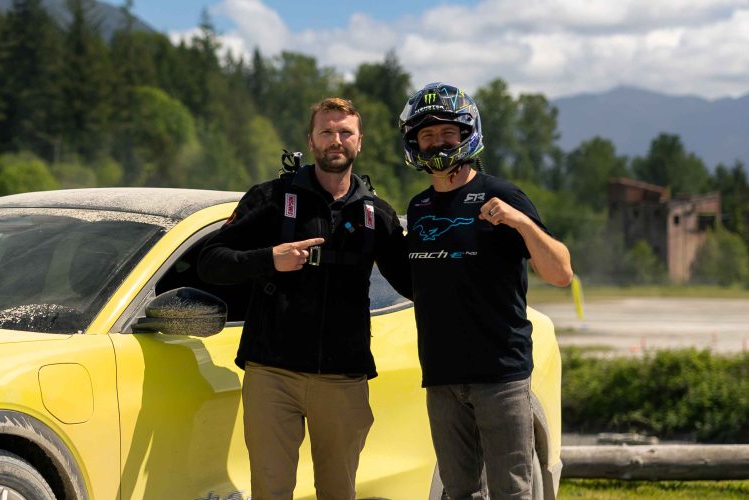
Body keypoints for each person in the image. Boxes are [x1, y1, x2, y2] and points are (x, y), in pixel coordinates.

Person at [198, 97, 411, 500]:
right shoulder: (271, 199)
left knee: (338, 492)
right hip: (272, 376)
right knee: (270, 492)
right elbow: (210, 262)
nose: (336, 140)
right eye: (326, 132)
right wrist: (269, 259)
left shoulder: (376, 214)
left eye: (345, 132)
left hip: (343, 379)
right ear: (311, 142)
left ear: (359, 141)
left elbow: (416, 284)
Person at [397, 82, 573, 499]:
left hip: (500, 375)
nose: (438, 142)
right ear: (414, 142)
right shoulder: (419, 208)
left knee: (512, 490)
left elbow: (562, 272)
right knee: (458, 492)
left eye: (447, 132)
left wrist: (521, 222)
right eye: (427, 134)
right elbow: (414, 282)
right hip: (441, 377)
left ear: (467, 133)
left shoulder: (502, 195)